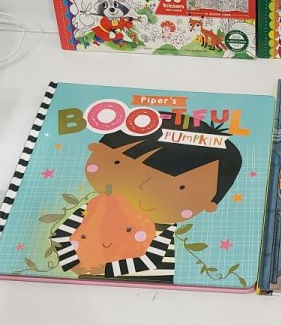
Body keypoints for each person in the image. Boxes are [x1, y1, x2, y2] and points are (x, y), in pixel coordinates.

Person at [52, 113, 242, 283]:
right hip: (87, 283)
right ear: (95, 150)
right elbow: (60, 235)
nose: (143, 186)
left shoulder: (164, 223)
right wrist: (73, 263)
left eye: (180, 187)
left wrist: (105, 270)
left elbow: (151, 259)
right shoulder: (95, 207)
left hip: (150, 287)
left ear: (210, 204)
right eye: (120, 164)